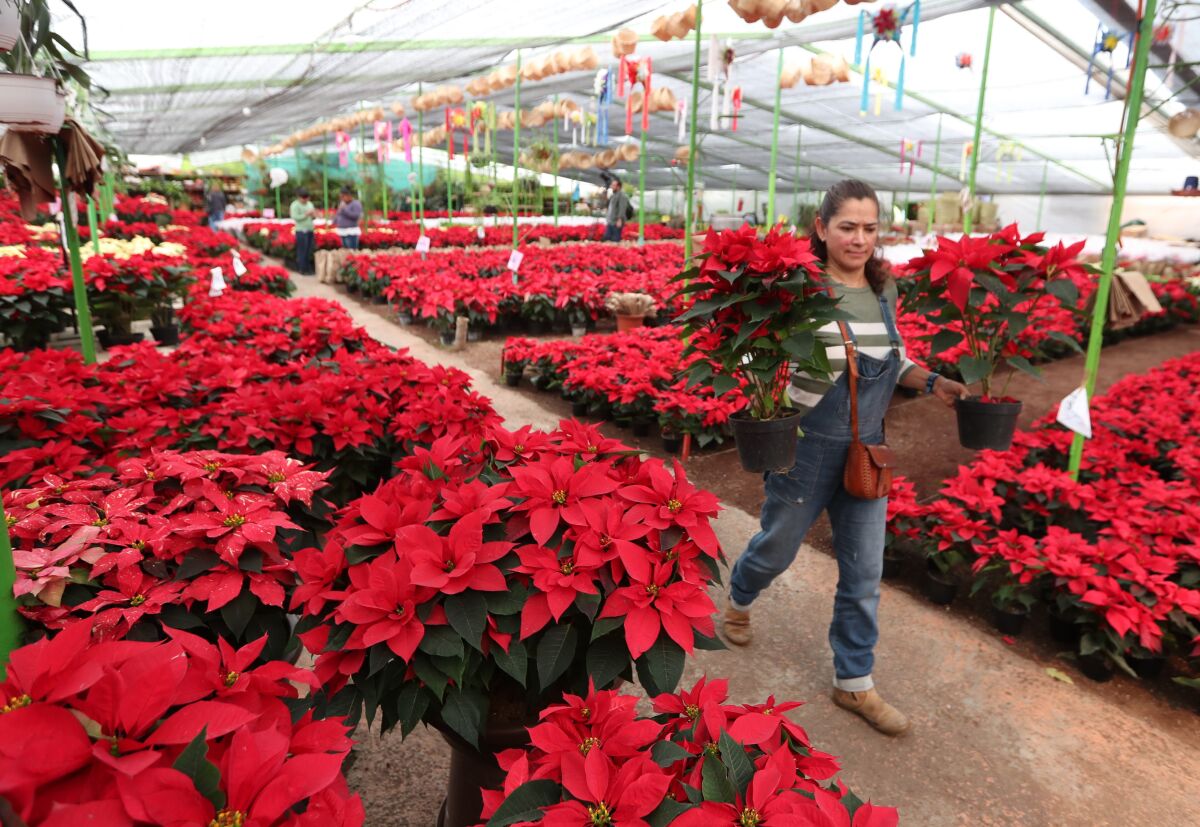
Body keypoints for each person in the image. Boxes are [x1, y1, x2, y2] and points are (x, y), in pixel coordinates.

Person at [722, 179, 969, 737]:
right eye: (847, 227)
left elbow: (895, 358)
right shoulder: (799, 290)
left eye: (869, 228)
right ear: (821, 229)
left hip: (866, 449)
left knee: (864, 572)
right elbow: (765, 357)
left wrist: (932, 382)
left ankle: (853, 682)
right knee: (778, 547)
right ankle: (741, 594)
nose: (859, 239)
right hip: (807, 446)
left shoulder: (884, 292)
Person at [290, 187, 316, 275]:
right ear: (299, 197)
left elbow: (313, 216)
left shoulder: (310, 204)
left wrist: (314, 215)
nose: (305, 199)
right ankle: (302, 268)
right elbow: (295, 217)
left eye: (307, 197)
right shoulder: (295, 205)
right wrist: (306, 214)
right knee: (302, 250)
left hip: (310, 229)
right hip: (301, 230)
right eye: (303, 198)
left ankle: (308, 268)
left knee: (309, 250)